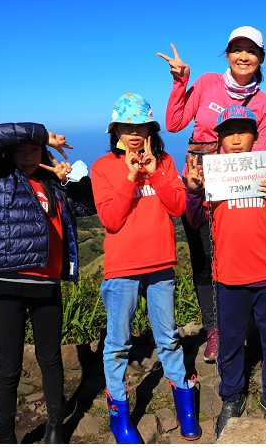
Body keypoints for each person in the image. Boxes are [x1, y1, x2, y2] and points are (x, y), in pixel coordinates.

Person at [0, 123, 95, 444]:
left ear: (44, 154)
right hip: (7, 283)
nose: (28, 156)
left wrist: (70, 180)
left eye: (35, 150)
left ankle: (55, 427)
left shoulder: (53, 184)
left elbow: (89, 206)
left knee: (50, 358)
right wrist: (42, 135)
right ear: (10, 153)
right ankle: (6, 437)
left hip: (47, 284)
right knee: (8, 367)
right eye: (21, 150)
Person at [158, 26, 266, 363]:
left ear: (261, 58)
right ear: (227, 54)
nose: (243, 56)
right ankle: (214, 329)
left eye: (250, 51)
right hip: (197, 187)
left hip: (237, 188)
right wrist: (181, 82)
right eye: (236, 49)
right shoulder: (208, 82)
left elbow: (260, 155)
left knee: (235, 253)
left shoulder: (264, 103)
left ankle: (239, 322)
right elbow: (175, 122)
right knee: (203, 260)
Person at [91, 93, 199, 443]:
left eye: (141, 127)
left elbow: (178, 205)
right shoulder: (103, 166)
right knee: (118, 342)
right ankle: (120, 420)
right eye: (127, 127)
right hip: (121, 266)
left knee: (168, 338)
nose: (134, 134)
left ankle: (185, 411)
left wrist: (153, 173)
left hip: (161, 264)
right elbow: (110, 218)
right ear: (116, 131)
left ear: (151, 129)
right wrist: (128, 177)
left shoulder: (164, 162)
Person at [185, 105, 266, 436]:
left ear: (255, 137)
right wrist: (193, 191)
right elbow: (195, 220)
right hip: (228, 276)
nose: (235, 139)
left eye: (243, 132)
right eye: (228, 133)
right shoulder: (210, 174)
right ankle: (231, 397)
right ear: (218, 139)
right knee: (230, 342)